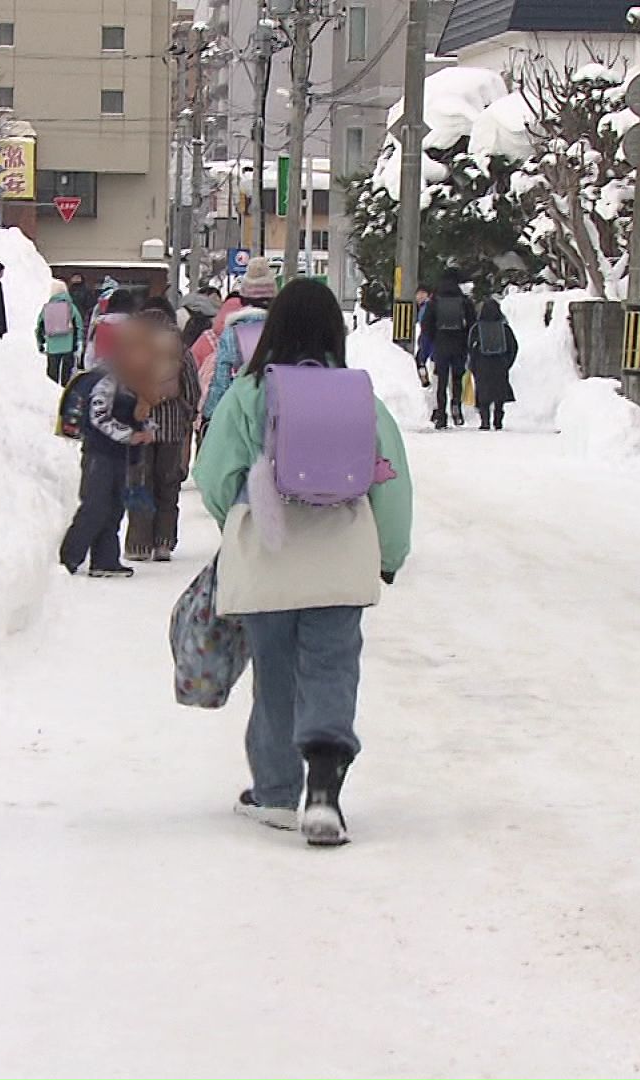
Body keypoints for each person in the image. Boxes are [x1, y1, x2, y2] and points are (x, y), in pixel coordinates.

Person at [193, 278, 414, 847]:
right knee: (331, 671)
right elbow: (391, 482)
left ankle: (274, 795)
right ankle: (323, 792)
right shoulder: (358, 396)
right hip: (340, 561)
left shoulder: (247, 396)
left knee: (277, 679)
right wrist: (388, 555)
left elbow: (214, 475)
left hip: (269, 557)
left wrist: (237, 523)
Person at [58, 317, 156, 578]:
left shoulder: (131, 379)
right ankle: (68, 558)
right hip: (99, 453)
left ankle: (105, 560)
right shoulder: (108, 377)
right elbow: (98, 416)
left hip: (117, 454)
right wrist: (130, 436)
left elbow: (139, 415)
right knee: (96, 505)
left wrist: (145, 426)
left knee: (113, 507)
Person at [124, 302, 201, 561]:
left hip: (141, 428)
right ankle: (163, 543)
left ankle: (138, 545)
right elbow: (192, 388)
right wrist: (187, 414)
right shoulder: (180, 349)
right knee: (168, 485)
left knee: (141, 483)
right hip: (172, 429)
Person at [202, 261, 277, 419]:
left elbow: (221, 381)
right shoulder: (282, 331)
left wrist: (209, 416)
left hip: (240, 414)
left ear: (243, 299)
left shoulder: (232, 333)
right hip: (276, 412)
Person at [419, 275, 471, 429]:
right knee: (456, 379)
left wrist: (433, 341)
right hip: (459, 345)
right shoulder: (464, 301)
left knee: (441, 381)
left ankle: (441, 413)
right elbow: (472, 324)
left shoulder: (434, 303)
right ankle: (456, 406)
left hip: (441, 346)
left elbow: (426, 326)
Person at [466, 298, 519, 430]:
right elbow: (513, 347)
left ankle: (485, 421)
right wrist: (507, 363)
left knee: (483, 393)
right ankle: (498, 420)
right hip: (500, 364)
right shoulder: (504, 328)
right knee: (499, 393)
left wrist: (473, 366)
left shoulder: (476, 328)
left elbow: (470, 348)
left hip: (482, 365)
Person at [192, 291, 245, 415]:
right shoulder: (249, 338)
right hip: (238, 403)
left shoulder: (206, 337)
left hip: (209, 400)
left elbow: (192, 366)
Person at [37, 279, 87, 384]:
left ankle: (51, 394)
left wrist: (40, 343)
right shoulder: (71, 307)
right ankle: (64, 391)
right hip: (68, 346)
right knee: (66, 374)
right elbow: (79, 324)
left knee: (52, 374)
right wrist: (79, 341)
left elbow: (39, 327)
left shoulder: (46, 308)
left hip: (52, 346)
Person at [411, 285, 434, 386]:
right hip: (427, 338)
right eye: (417, 294)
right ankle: (425, 380)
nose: (419, 297)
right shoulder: (424, 307)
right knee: (420, 360)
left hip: (429, 339)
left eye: (422, 294)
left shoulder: (428, 307)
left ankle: (426, 382)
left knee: (420, 360)